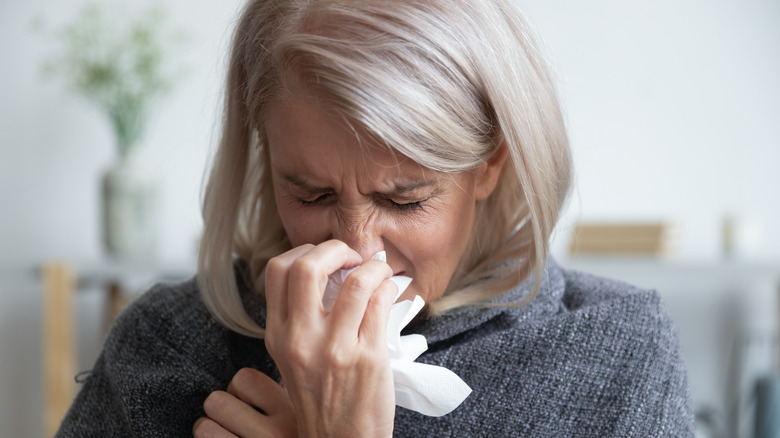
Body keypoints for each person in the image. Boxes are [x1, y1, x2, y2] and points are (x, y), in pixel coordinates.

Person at [56, 0, 695, 436]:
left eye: (404, 199)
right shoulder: (170, 347)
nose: (360, 253)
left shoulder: (617, 354)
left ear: (490, 164)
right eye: (310, 194)